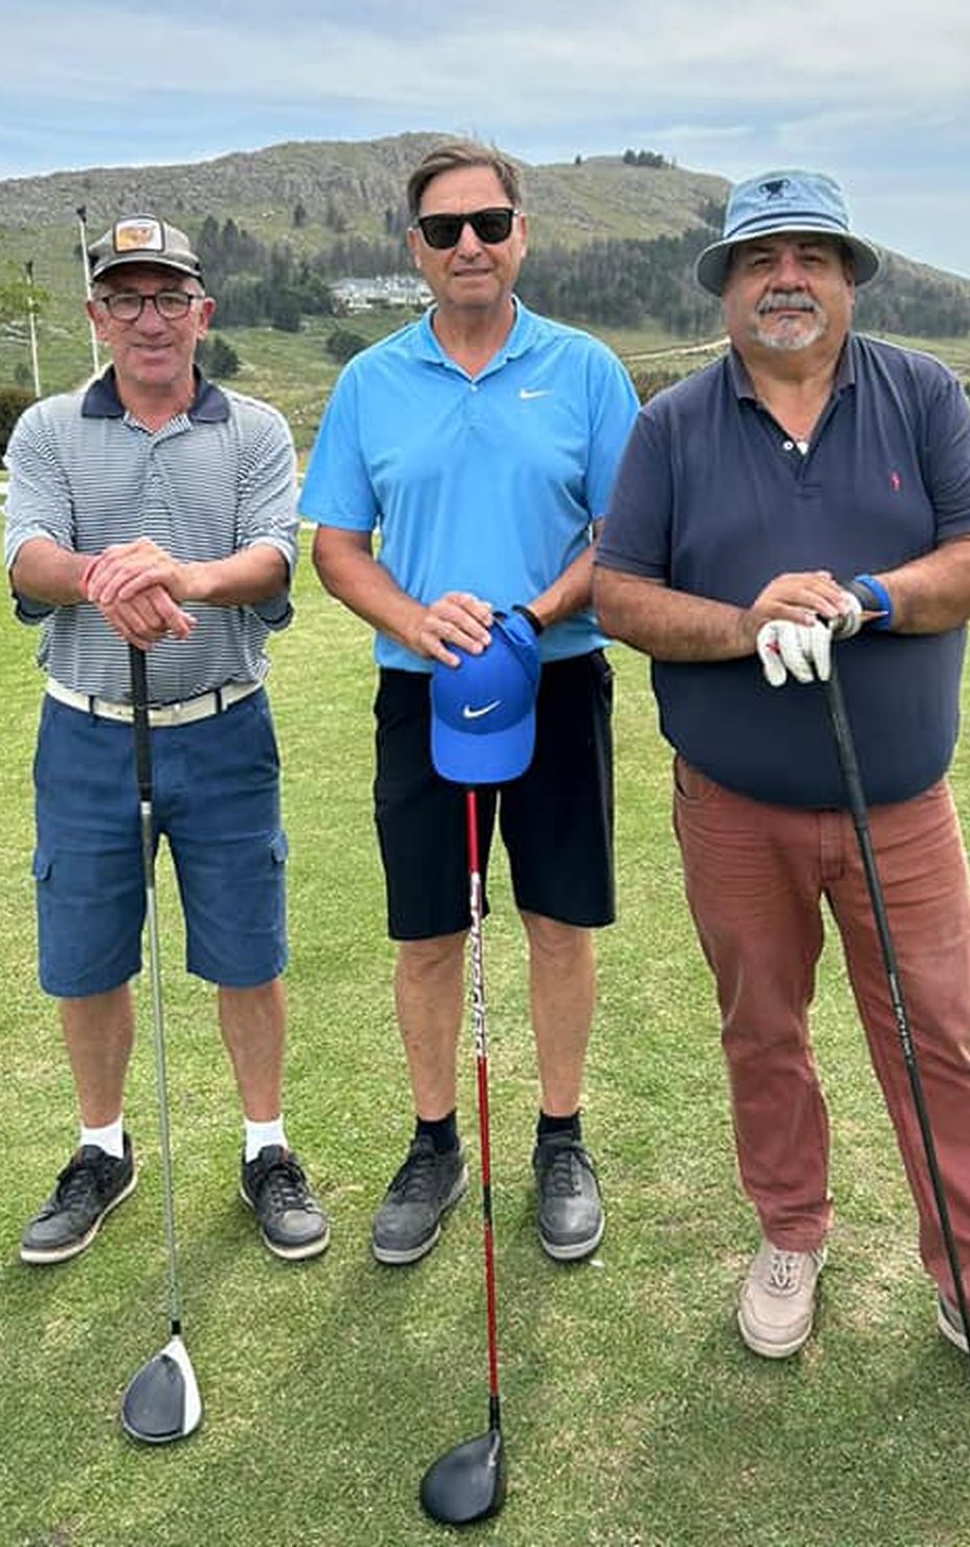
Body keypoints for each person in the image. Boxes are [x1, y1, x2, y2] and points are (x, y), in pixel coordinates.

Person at [592, 168, 970, 1440]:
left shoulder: (921, 393)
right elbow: (621, 595)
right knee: (764, 1030)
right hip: (733, 808)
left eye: (814, 255)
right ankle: (790, 1237)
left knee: (940, 1042)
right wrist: (745, 621)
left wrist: (863, 599)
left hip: (901, 808)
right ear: (725, 289)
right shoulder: (673, 426)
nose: (788, 278)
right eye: (762, 260)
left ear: (850, 277)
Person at [301, 139, 639, 1266]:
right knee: (431, 930)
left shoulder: (585, 368)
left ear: (522, 234)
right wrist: (410, 619)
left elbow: (624, 536)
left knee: (557, 920)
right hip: (423, 692)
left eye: (489, 223)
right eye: (445, 230)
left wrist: (536, 614)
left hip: (556, 674)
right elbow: (337, 546)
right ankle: (436, 1141)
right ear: (416, 250)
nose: (470, 246)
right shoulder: (371, 380)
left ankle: (560, 1137)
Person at [2, 214, 327, 1268]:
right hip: (87, 731)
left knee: (249, 944)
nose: (150, 318)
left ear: (203, 313)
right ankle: (102, 1149)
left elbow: (274, 559)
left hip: (225, 727)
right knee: (88, 954)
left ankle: (265, 1145)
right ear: (97, 314)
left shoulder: (257, 430)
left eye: (169, 296)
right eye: (127, 298)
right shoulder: (48, 428)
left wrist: (175, 576)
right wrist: (104, 576)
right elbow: (28, 555)